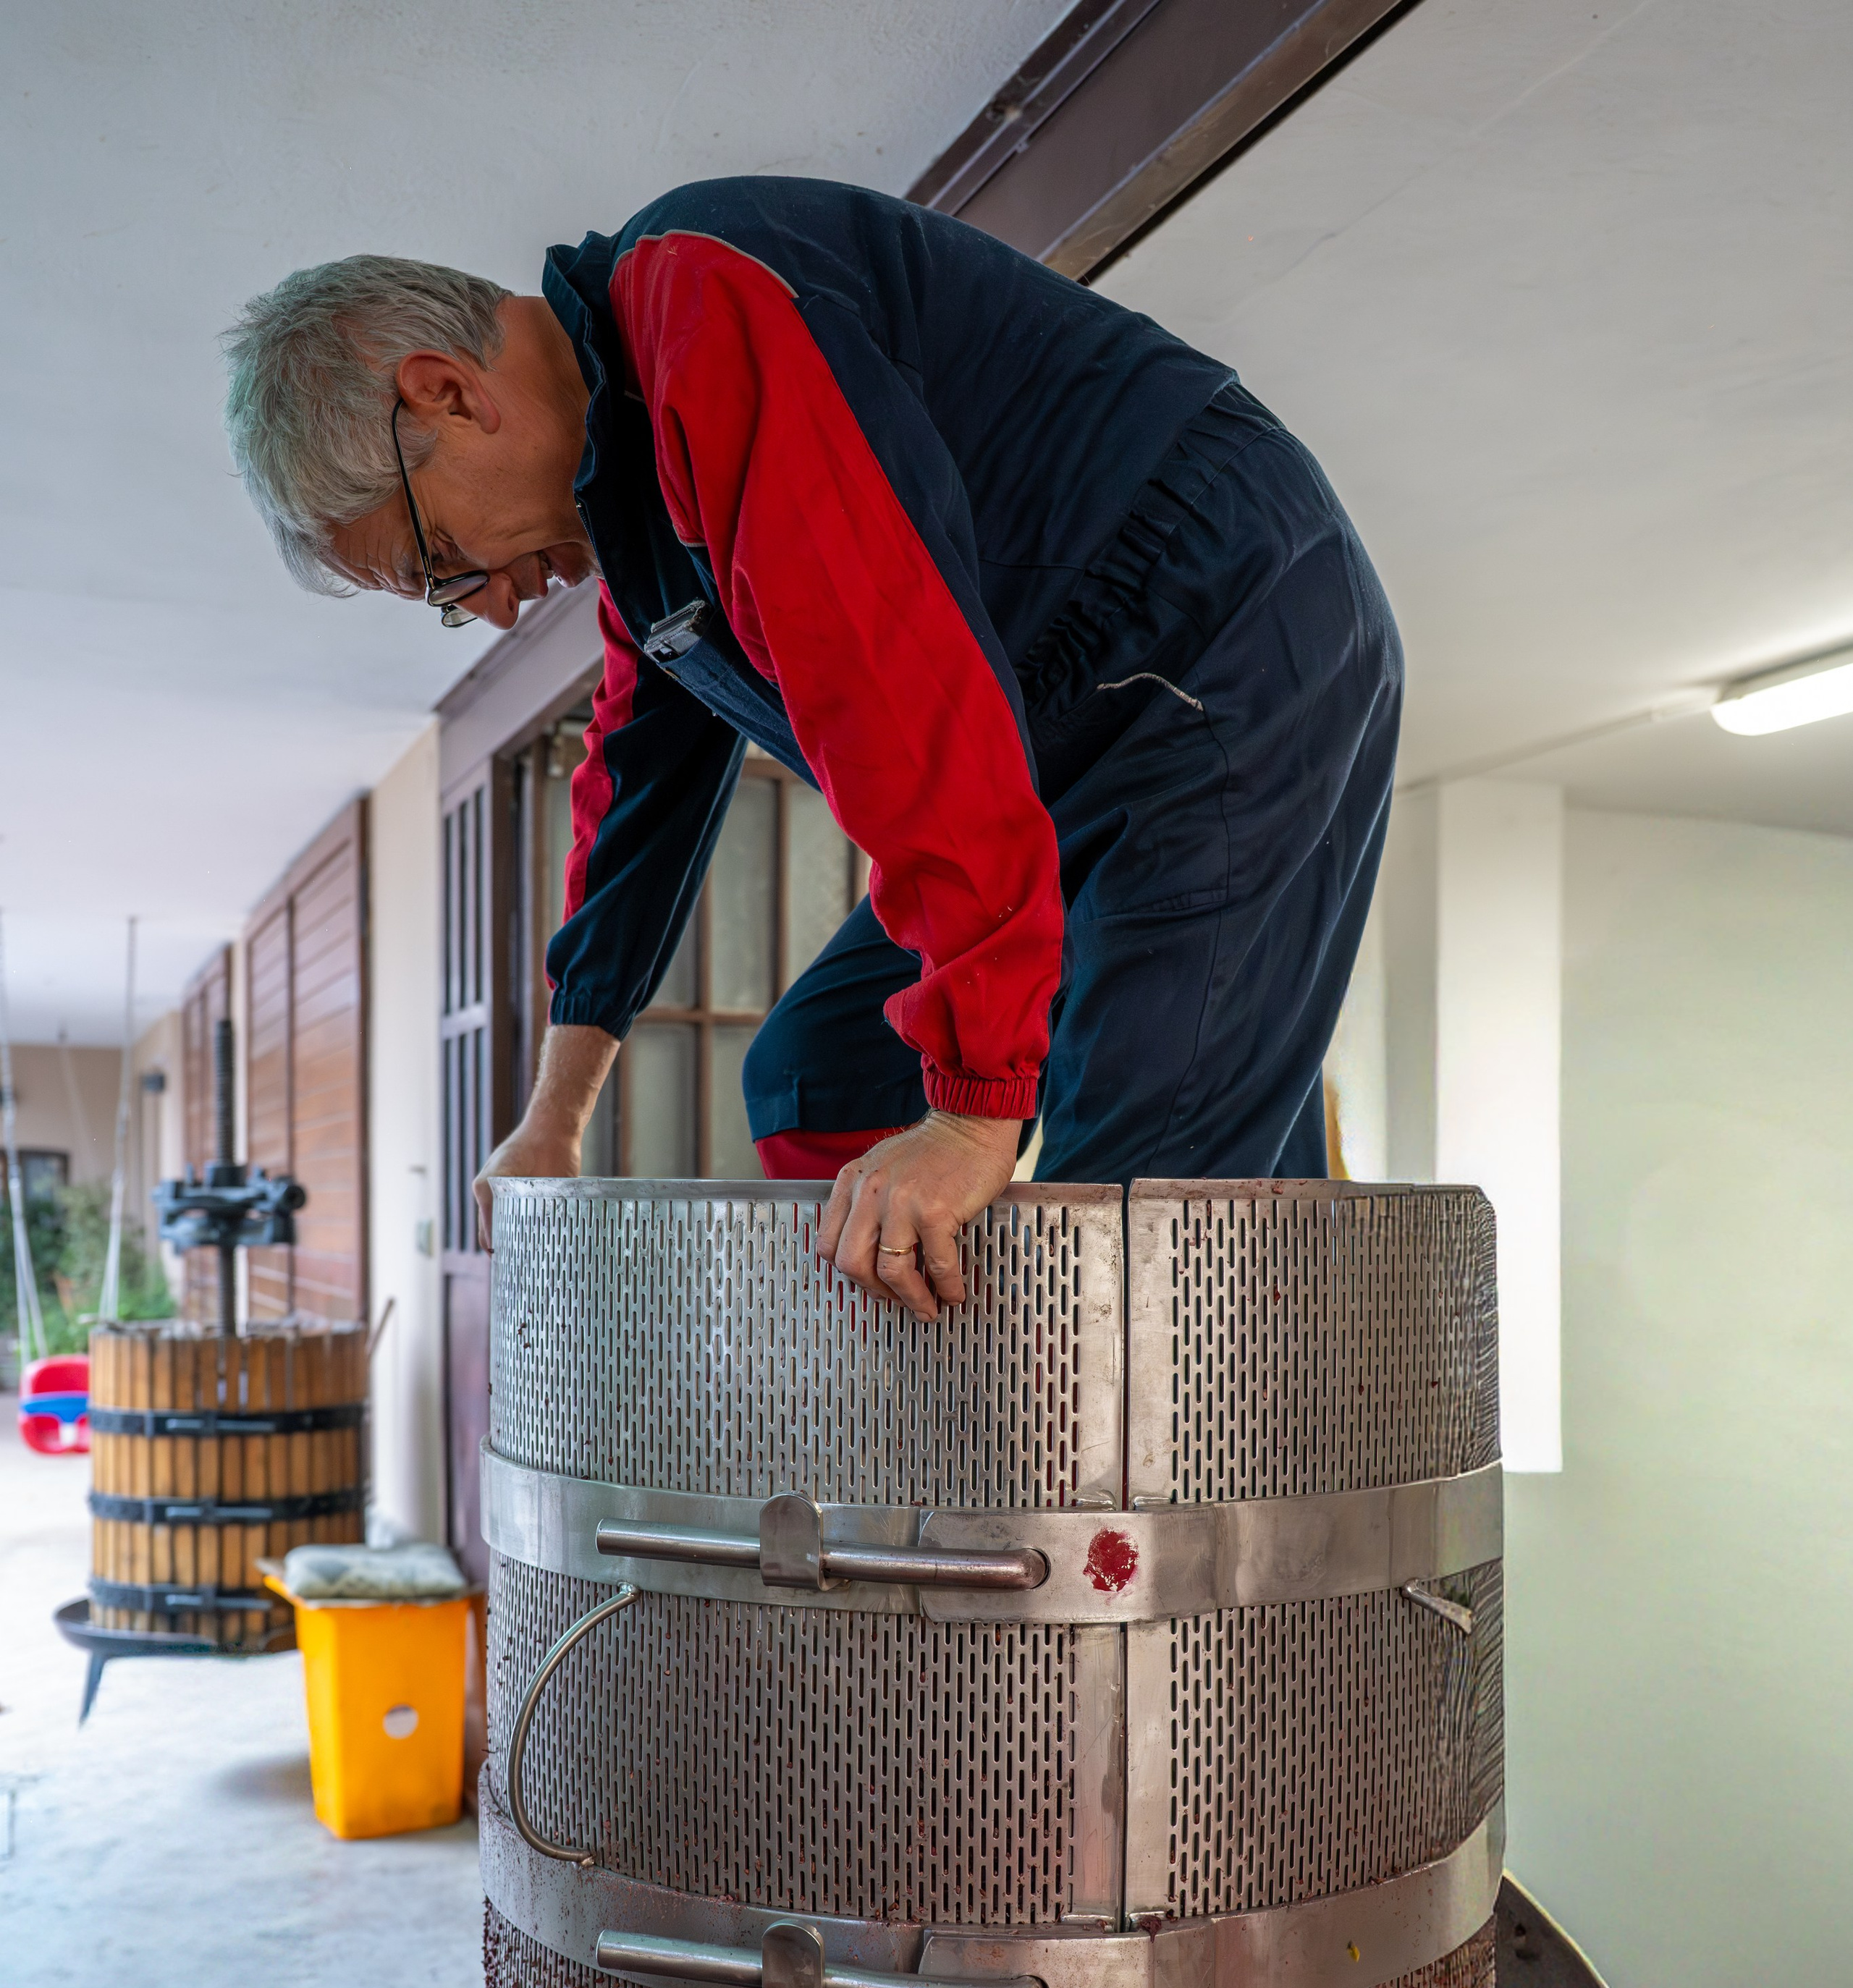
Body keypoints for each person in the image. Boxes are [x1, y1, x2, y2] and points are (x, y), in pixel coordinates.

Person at [223, 177, 1400, 1321]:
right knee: (817, 1071)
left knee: (1142, 1202)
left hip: (1214, 641)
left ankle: (1099, 1496)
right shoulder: (636, 517)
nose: (482, 610)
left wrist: (975, 1109)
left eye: (440, 567)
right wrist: (553, 1115)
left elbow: (895, 683)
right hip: (1046, 736)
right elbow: (637, 795)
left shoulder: (704, 305)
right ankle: (933, 1427)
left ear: (445, 395)